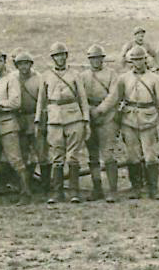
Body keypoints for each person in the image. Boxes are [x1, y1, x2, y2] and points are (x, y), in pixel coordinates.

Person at [100, 45, 159, 199]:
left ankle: (153, 189)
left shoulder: (154, 78)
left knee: (150, 155)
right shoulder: (124, 78)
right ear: (130, 61)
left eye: (140, 59)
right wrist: (100, 110)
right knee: (132, 156)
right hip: (129, 120)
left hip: (149, 119)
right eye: (134, 60)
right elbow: (113, 98)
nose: (138, 63)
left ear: (146, 60)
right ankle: (136, 187)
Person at [39, 44, 91, 204]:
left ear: (66, 56)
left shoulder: (75, 75)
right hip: (54, 119)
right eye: (57, 55)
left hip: (74, 117)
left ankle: (74, 192)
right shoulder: (46, 76)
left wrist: (86, 120)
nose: (60, 58)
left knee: (73, 156)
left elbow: (83, 99)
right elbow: (41, 101)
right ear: (52, 58)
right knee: (57, 157)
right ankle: (57, 192)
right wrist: (38, 121)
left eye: (62, 55)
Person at [0, 49, 30, 203]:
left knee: (15, 159)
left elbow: (16, 102)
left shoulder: (11, 79)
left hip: (8, 124)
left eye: (0, 61)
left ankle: (25, 193)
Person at [81, 45, 119, 202]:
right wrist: (89, 111)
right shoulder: (83, 76)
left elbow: (113, 96)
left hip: (107, 117)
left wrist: (101, 110)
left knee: (108, 154)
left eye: (98, 58)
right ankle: (97, 189)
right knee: (92, 155)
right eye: (92, 58)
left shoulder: (111, 74)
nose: (95, 61)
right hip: (90, 116)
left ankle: (112, 190)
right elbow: (80, 95)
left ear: (103, 58)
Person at [14, 51, 48, 194]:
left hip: (35, 117)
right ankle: (26, 185)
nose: (24, 67)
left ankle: (46, 186)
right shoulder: (13, 78)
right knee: (23, 152)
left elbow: (42, 101)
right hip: (20, 119)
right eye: (20, 64)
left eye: (26, 64)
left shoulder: (38, 78)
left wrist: (39, 119)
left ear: (31, 64)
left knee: (41, 152)